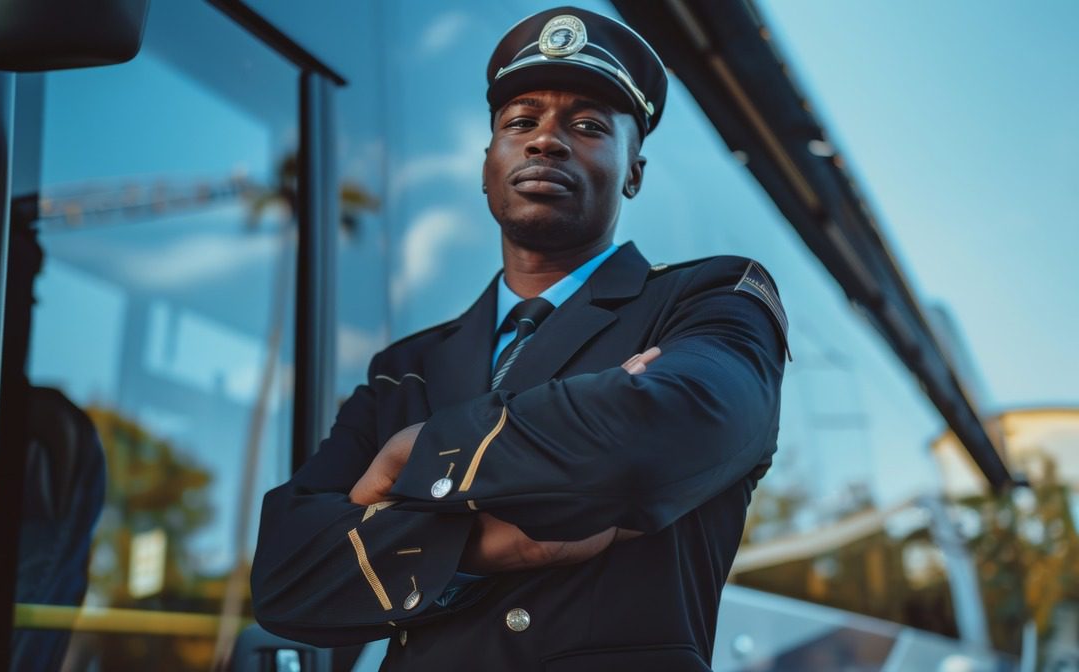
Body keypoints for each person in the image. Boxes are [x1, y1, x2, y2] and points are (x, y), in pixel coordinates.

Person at [251, 7, 789, 671]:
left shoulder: (712, 298)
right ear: (487, 165)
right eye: (520, 122)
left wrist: (416, 453)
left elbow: (665, 431)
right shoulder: (407, 366)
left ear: (634, 173)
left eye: (589, 126)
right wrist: (488, 547)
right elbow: (285, 575)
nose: (546, 141)